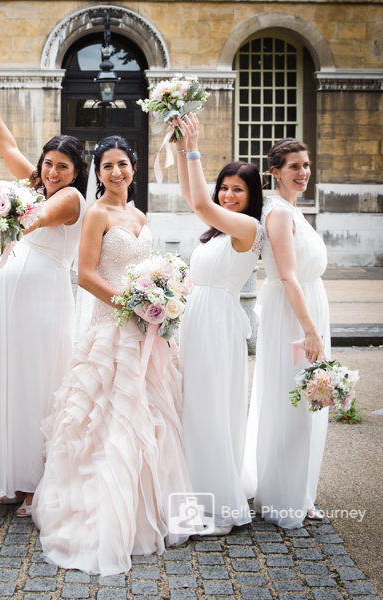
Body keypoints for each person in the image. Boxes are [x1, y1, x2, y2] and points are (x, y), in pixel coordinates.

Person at [32, 136, 196, 576]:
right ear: (97, 173)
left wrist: (161, 296)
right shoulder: (97, 214)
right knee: (107, 419)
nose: (116, 173)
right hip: (111, 329)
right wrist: (134, 304)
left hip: (146, 331)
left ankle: (152, 508)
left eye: (122, 164)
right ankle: (104, 513)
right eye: (107, 167)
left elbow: (151, 267)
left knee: (150, 417)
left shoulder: (139, 215)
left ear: (134, 168)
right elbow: (85, 275)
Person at [0, 108, 88, 517]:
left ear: (76, 172)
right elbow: (7, 146)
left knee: (38, 384)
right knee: (10, 382)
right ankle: (13, 477)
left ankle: (38, 482)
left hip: (42, 302)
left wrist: (2, 209)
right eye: (47, 163)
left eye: (62, 166)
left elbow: (34, 219)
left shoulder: (69, 199)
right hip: (8, 302)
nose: (52, 171)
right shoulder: (38, 185)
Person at [175, 113, 263, 536]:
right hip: (196, 317)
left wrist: (194, 146)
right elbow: (191, 195)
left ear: (251, 196)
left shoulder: (248, 227)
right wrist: (178, 145)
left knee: (209, 406)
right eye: (224, 188)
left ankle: (218, 504)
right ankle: (195, 486)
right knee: (193, 403)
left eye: (237, 190)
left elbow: (198, 202)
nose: (228, 196)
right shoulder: (216, 232)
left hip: (218, 323)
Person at [242, 138, 330, 528]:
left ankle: (300, 489)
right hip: (293, 318)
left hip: (307, 309)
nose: (303, 172)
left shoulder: (294, 209)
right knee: (294, 402)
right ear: (275, 172)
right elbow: (289, 276)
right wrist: (310, 330)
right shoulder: (277, 213)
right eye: (294, 166)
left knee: (308, 402)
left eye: (306, 165)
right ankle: (284, 497)